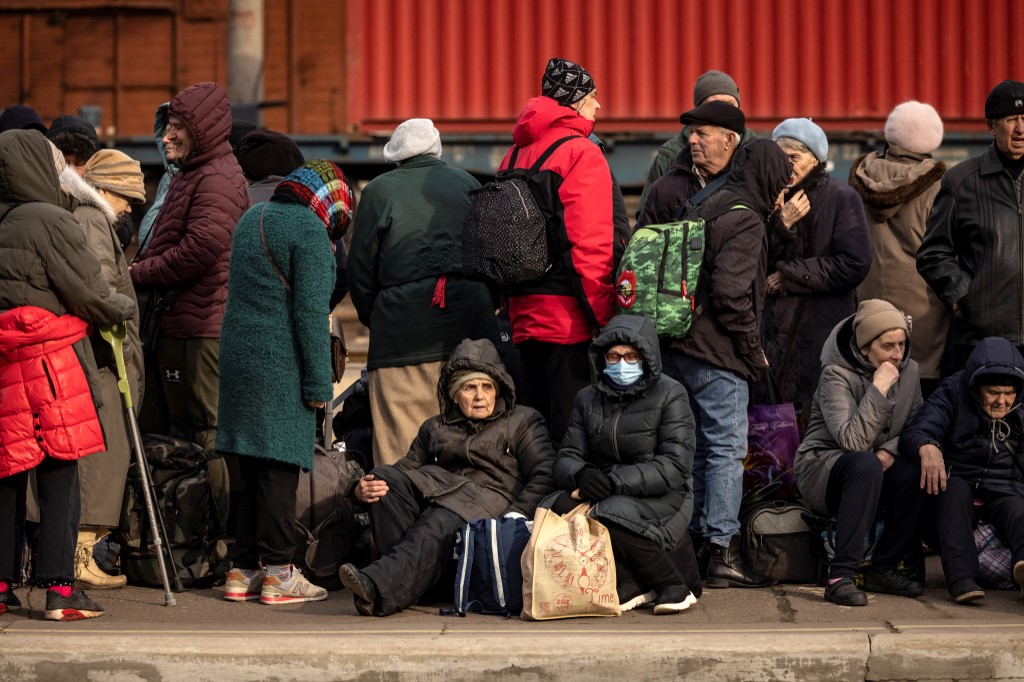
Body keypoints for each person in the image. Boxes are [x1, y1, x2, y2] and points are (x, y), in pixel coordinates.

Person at [0, 129, 135, 620]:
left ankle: (1, 585)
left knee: (9, 474)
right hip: (50, 364)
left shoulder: (4, 220)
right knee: (60, 473)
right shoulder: (51, 220)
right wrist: (122, 305)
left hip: (6, 363)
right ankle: (60, 589)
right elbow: (90, 294)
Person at [217, 160, 354, 605]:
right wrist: (319, 386)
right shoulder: (310, 233)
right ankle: (278, 571)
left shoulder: (250, 218)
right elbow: (311, 317)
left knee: (250, 471)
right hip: (280, 365)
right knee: (279, 470)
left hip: (239, 361)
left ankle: (241, 570)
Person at [337, 338, 555, 616]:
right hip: (443, 494)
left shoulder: (523, 420)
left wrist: (515, 514)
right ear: (454, 394)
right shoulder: (435, 427)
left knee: (438, 519)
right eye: (469, 387)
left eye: (487, 387)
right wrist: (359, 490)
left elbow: (545, 473)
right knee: (384, 480)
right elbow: (406, 468)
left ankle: (379, 586)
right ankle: (416, 581)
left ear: (497, 389)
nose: (480, 396)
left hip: (490, 502)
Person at [660, 139, 792, 588]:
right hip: (718, 353)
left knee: (697, 448)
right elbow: (732, 293)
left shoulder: (706, 201)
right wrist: (752, 350)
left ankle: (696, 544)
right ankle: (721, 548)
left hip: (679, 345)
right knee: (726, 450)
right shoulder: (746, 217)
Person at [130, 82, 251, 539]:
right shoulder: (188, 174)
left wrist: (138, 273)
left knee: (209, 433)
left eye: (178, 128)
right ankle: (177, 535)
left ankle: (218, 541)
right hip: (181, 324)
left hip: (203, 329)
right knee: (179, 431)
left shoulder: (215, 176)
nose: (166, 137)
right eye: (167, 128)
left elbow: (202, 248)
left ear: (203, 129)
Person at [349, 118, 498, 466]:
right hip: (470, 327)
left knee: (400, 448)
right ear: (437, 149)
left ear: (395, 157)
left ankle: (400, 515)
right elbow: (493, 257)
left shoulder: (378, 192)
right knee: (469, 442)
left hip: (401, 338)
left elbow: (360, 271)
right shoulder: (467, 182)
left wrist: (382, 316)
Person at [498, 57, 623, 446]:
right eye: (592, 96)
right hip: (569, 324)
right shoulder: (580, 153)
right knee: (573, 443)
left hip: (523, 320)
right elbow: (589, 247)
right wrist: (606, 318)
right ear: (574, 102)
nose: (598, 106)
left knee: (535, 440)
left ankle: (532, 508)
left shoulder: (513, 156)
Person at [551, 315, 698, 614]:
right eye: (614, 356)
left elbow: (674, 466)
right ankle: (633, 583)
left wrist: (616, 481)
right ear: (602, 358)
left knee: (608, 513)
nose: (622, 364)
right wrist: (581, 473)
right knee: (555, 505)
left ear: (646, 358)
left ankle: (672, 584)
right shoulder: (586, 398)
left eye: (631, 356)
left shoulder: (671, 394)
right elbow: (566, 456)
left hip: (665, 494)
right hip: (605, 488)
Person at [794, 299, 926, 606]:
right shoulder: (835, 375)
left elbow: (915, 425)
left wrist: (891, 450)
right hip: (824, 468)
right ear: (865, 347)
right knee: (864, 463)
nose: (898, 354)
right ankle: (840, 576)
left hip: (875, 463)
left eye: (902, 344)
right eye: (888, 346)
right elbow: (852, 442)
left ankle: (885, 567)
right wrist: (878, 389)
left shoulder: (911, 371)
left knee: (914, 470)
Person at [60, 149, 146, 589]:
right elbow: (102, 286)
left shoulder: (87, 218)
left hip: (98, 354)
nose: (130, 205)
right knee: (104, 452)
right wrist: (126, 307)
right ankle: (80, 553)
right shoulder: (94, 222)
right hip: (101, 356)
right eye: (127, 196)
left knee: (105, 451)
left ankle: (82, 549)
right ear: (106, 190)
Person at [762, 118, 872, 426]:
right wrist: (780, 225)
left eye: (794, 158)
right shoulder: (768, 198)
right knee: (773, 434)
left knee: (819, 424)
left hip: (823, 331)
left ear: (815, 158)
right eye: (780, 158)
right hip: (773, 338)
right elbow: (752, 262)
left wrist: (789, 276)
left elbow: (855, 263)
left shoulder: (841, 197)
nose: (786, 166)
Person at [900, 337, 1024, 603]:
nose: (1002, 401)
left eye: (1009, 393)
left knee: (1018, 510)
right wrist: (927, 445)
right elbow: (918, 429)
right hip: (959, 479)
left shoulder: (1021, 405)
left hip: (1004, 487)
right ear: (977, 386)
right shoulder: (953, 391)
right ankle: (962, 580)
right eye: (993, 392)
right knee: (952, 492)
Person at [917, 79, 1024, 372]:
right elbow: (932, 254)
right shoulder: (961, 181)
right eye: (1011, 119)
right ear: (992, 125)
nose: (1020, 129)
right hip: (983, 338)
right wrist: (966, 297)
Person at [852, 101, 949, 396]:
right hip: (923, 317)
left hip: (867, 311)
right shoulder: (940, 187)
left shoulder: (860, 178)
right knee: (919, 409)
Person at [637, 70, 756, 215]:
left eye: (730, 104)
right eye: (714, 105)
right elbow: (647, 216)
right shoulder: (670, 155)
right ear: (699, 110)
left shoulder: (756, 150)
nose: (724, 111)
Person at [636, 101, 747, 228]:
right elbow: (644, 243)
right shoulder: (665, 189)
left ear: (729, 140)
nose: (691, 140)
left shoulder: (752, 183)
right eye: (691, 132)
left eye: (701, 134)